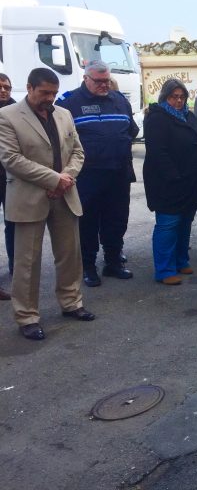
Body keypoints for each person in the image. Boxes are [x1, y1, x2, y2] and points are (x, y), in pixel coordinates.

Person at [0, 68, 95, 340]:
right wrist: (55, 179)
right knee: (27, 262)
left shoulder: (64, 114)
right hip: (29, 197)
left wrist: (67, 178)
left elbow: (77, 151)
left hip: (64, 194)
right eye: (44, 93)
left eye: (53, 93)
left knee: (69, 254)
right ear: (29, 88)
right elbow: (12, 159)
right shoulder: (7, 117)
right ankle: (27, 316)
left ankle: (71, 303)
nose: (50, 98)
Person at [57, 60, 138, 287]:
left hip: (118, 173)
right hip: (87, 176)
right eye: (98, 81)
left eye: (106, 80)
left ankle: (113, 262)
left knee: (117, 220)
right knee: (87, 223)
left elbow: (130, 131)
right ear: (85, 78)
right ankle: (88, 267)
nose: (104, 85)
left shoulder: (120, 100)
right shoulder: (69, 102)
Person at [143, 79, 197, 285]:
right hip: (168, 183)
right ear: (165, 97)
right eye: (174, 97)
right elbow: (158, 152)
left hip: (191, 181)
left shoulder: (189, 116)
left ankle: (181, 260)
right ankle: (164, 270)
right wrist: (174, 176)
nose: (179, 101)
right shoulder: (157, 118)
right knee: (168, 224)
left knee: (185, 223)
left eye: (182, 97)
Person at [0, 73, 16, 300]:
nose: (4, 90)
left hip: (11, 178)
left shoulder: (16, 111)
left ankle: (17, 268)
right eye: (0, 87)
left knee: (14, 224)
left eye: (7, 87)